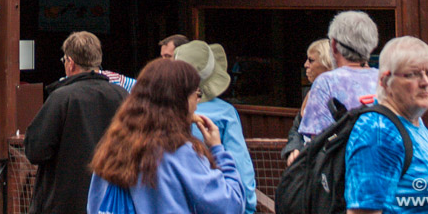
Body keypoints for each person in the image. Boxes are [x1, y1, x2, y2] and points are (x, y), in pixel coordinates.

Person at [87, 58, 245, 214]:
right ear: (179, 100)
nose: (198, 102)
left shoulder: (112, 147)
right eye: (196, 94)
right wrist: (218, 149)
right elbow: (231, 205)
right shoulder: (180, 153)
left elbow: (94, 206)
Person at [344, 36, 428, 214]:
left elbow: (419, 189)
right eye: (413, 74)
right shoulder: (379, 131)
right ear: (385, 81)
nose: (426, 82)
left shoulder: (413, 120)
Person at [26, 31, 128, 214]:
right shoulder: (122, 96)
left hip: (65, 203)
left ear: (70, 63)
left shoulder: (61, 98)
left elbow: (36, 150)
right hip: (111, 202)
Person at [173, 40, 257, 214]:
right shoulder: (225, 113)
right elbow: (240, 165)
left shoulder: (155, 111)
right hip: (215, 201)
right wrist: (248, 205)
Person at [300, 11, 380, 140]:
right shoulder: (387, 81)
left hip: (346, 160)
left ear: (334, 45)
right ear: (371, 47)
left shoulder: (326, 83)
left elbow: (318, 143)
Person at [283, 38, 333, 165]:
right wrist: (294, 148)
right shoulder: (309, 94)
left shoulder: (339, 97)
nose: (305, 64)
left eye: (311, 60)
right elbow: (296, 129)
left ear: (326, 64)